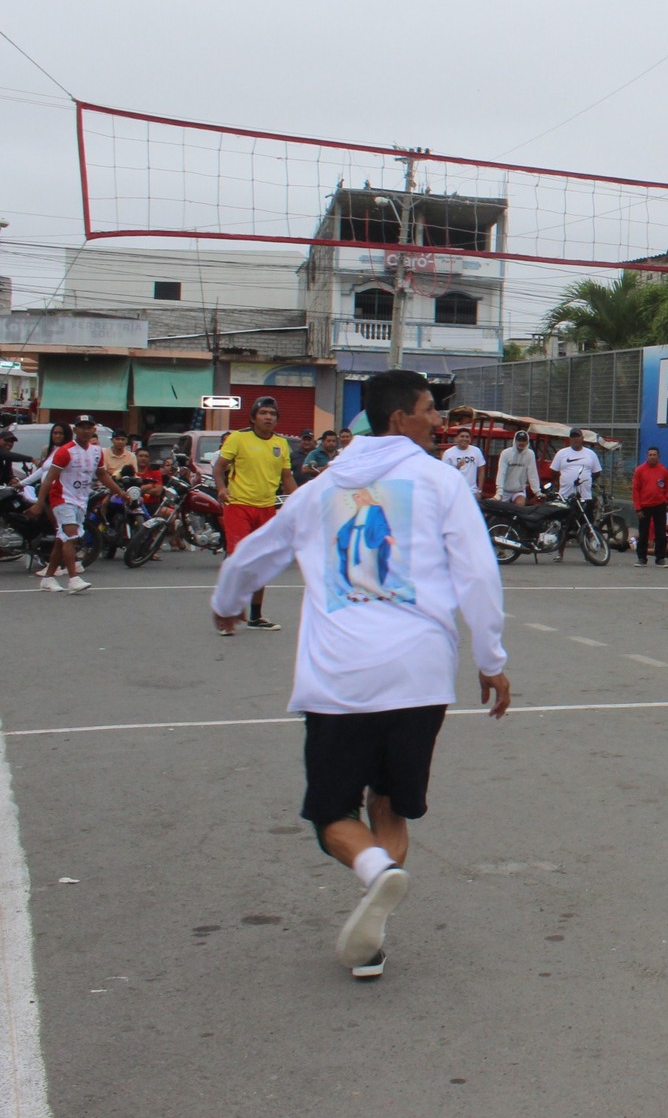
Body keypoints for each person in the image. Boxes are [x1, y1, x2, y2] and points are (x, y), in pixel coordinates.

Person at [208, 368, 510, 981]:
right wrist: (491, 659)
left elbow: (254, 555)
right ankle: (375, 926)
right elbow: (478, 573)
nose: (439, 421)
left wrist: (227, 602)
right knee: (390, 804)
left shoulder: (318, 490)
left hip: (340, 678)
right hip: (419, 674)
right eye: (430, 410)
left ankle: (375, 875)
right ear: (400, 418)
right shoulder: (439, 481)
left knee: (333, 817)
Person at [212, 397, 299, 629]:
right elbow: (219, 468)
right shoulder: (238, 438)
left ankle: (256, 616)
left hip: (267, 508)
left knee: (262, 561)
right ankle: (227, 611)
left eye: (272, 414)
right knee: (238, 560)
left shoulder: (281, 444)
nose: (268, 417)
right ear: (253, 417)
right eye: (263, 413)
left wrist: (302, 499)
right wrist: (221, 488)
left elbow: (287, 477)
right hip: (238, 506)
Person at [31, 415, 125, 594]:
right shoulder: (65, 451)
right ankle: (73, 579)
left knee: (62, 539)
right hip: (62, 498)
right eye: (82, 427)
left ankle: (48, 578)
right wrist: (39, 503)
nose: (86, 431)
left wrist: (120, 492)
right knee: (71, 536)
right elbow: (49, 478)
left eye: (89, 427)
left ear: (94, 430)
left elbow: (102, 475)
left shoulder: (96, 452)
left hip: (81, 499)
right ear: (75, 430)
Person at [547, 430, 605, 564]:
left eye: (577, 437)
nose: (575, 439)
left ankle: (588, 554)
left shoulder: (590, 454)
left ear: (582, 438)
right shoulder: (562, 453)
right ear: (570, 439)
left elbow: (597, 472)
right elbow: (553, 472)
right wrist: (560, 484)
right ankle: (560, 554)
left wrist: (586, 480)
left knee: (587, 525)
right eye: (572, 437)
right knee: (564, 526)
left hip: (585, 496)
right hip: (566, 497)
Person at [631, 447, 668, 567]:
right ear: (647, 456)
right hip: (644, 506)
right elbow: (635, 490)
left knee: (660, 533)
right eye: (650, 455)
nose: (652, 457)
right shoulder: (640, 470)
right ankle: (642, 558)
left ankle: (660, 558)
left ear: (658, 456)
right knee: (643, 533)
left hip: (659, 506)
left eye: (654, 455)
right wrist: (638, 508)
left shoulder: (663, 470)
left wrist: (665, 500)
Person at [495, 430, 542, 507]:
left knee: (520, 504)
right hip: (504, 491)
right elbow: (501, 473)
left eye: (524, 441)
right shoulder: (506, 453)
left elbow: (532, 474)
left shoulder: (530, 454)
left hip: (519, 491)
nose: (521, 443)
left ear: (527, 442)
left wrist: (537, 492)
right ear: (515, 441)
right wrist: (499, 492)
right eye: (519, 440)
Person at [439, 428, 486, 498]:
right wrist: (457, 467)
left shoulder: (476, 451)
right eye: (462, 436)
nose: (465, 439)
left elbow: (481, 471)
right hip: (455, 492)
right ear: (456, 439)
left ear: (470, 439)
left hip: (472, 491)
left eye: (467, 437)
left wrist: (479, 490)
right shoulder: (448, 453)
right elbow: (445, 474)